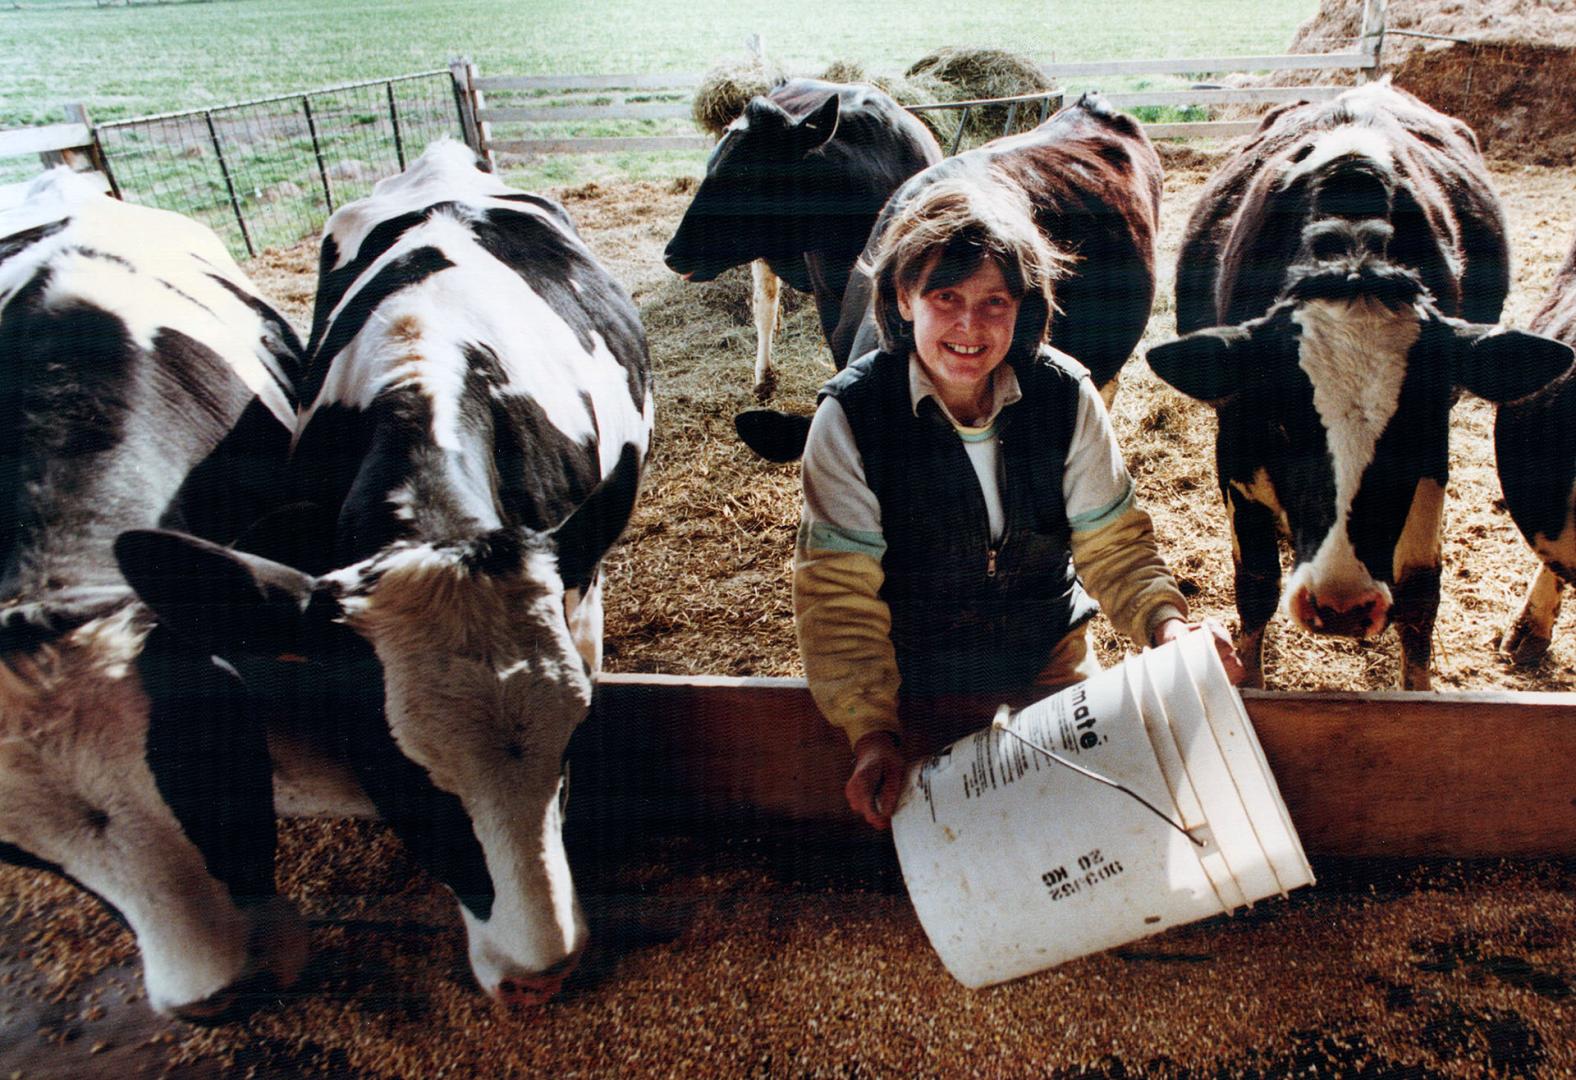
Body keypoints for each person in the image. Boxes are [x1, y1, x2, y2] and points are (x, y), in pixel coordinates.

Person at [793, 174, 1243, 831]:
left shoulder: (1064, 395)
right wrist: (870, 733)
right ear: (903, 295)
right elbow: (839, 594)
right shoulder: (852, 418)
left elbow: (1114, 545)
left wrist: (1169, 630)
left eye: (995, 302)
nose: (970, 326)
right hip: (919, 676)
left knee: (1101, 826)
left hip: (1050, 660)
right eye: (946, 296)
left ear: (1022, 305)